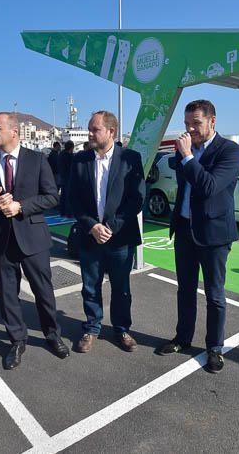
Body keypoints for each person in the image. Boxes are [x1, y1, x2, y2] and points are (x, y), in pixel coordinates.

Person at [0, 112, 69, 369]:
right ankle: (16, 340)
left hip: (33, 238)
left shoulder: (37, 160)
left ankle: (52, 334)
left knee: (43, 290)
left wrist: (20, 206)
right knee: (7, 294)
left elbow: (51, 197)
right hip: (1, 240)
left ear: (14, 132)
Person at [155, 99, 239, 374]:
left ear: (212, 121)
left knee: (215, 295)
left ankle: (215, 347)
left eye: (196, 123)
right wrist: (183, 155)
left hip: (214, 234)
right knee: (185, 290)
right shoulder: (185, 150)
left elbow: (209, 187)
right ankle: (183, 338)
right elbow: (184, 183)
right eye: (186, 124)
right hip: (184, 229)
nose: (190, 129)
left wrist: (188, 156)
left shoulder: (229, 150)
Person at [68, 111, 144, 353]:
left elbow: (136, 200)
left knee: (121, 288)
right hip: (90, 237)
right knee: (90, 286)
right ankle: (92, 328)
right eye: (90, 129)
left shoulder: (130, 158)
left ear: (111, 132)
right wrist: (92, 225)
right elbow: (71, 200)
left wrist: (110, 227)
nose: (90, 134)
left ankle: (122, 329)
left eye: (95, 130)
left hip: (120, 238)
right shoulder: (80, 161)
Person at [58, 140, 75, 217]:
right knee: (69, 196)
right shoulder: (70, 157)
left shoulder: (61, 154)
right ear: (71, 147)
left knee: (63, 195)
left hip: (62, 177)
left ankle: (62, 211)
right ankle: (69, 213)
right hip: (69, 177)